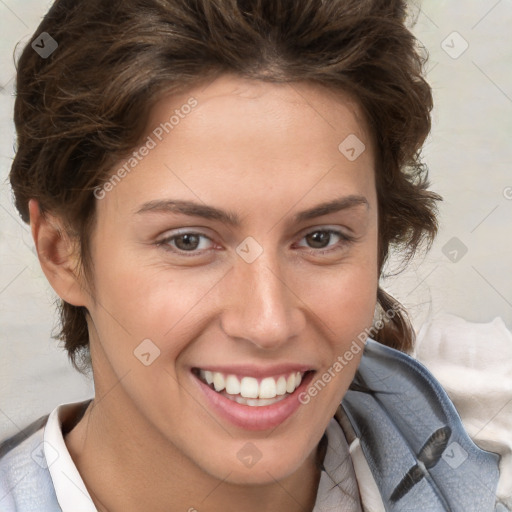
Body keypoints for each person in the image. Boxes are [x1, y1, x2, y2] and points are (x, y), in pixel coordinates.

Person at [0, 0, 508, 510]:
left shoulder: (488, 450)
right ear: (61, 252)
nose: (267, 323)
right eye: (188, 241)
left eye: (320, 238)